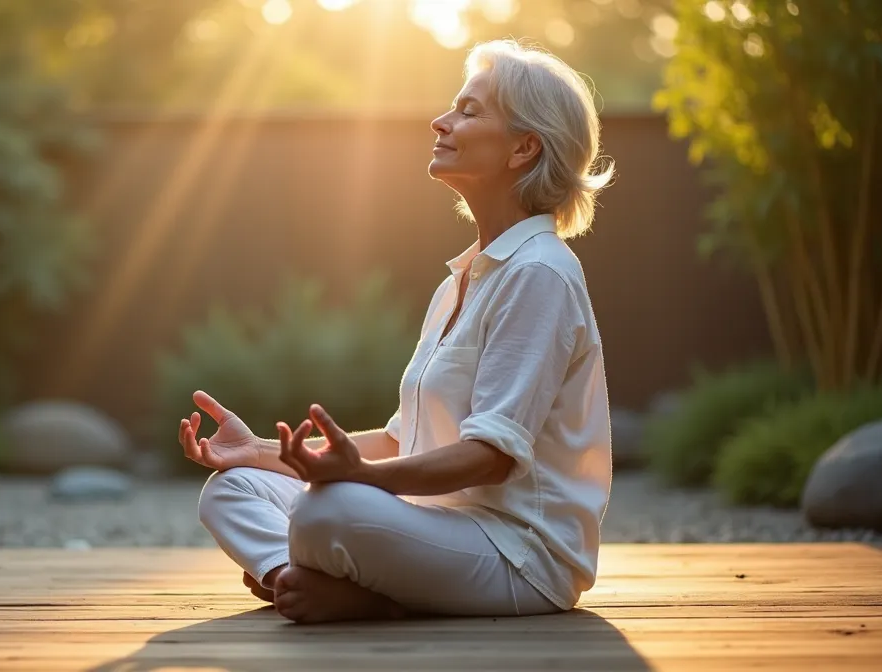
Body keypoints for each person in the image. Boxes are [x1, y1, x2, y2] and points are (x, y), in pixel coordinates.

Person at [177, 39, 614, 625]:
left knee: (327, 509)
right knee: (234, 490)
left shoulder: (539, 274)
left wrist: (361, 479)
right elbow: (403, 440)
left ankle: (360, 595)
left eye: (469, 110)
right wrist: (256, 451)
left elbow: (490, 457)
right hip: (435, 530)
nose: (441, 120)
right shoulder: (466, 278)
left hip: (518, 557)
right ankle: (295, 581)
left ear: (524, 147)